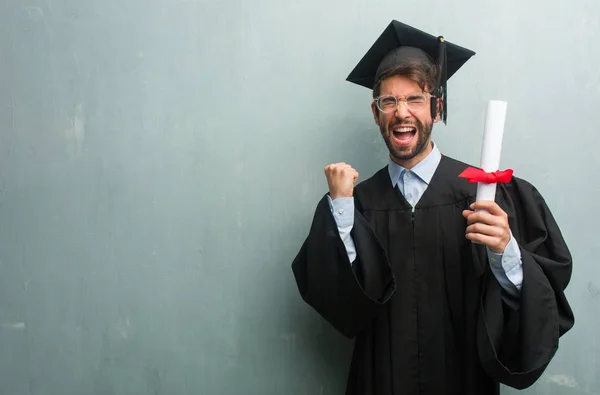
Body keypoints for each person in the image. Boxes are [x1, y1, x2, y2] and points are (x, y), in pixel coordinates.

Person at [291, 20, 574, 395]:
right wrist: (340, 210)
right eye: (388, 101)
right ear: (376, 114)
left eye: (415, 99)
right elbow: (342, 307)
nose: (401, 112)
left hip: (465, 381)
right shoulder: (356, 204)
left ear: (436, 109)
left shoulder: (488, 196)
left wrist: (507, 252)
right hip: (380, 382)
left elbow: (543, 300)